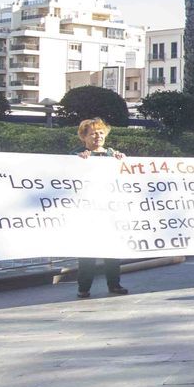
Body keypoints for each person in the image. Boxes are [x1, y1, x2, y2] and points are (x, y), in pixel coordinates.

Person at [65, 118, 133, 299]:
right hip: (87, 212)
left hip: (110, 211)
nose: (98, 136)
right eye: (93, 133)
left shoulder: (113, 155)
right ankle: (84, 287)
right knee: (87, 252)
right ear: (84, 137)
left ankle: (114, 284)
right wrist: (78, 162)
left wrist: (122, 162)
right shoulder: (76, 156)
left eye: (101, 133)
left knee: (112, 251)